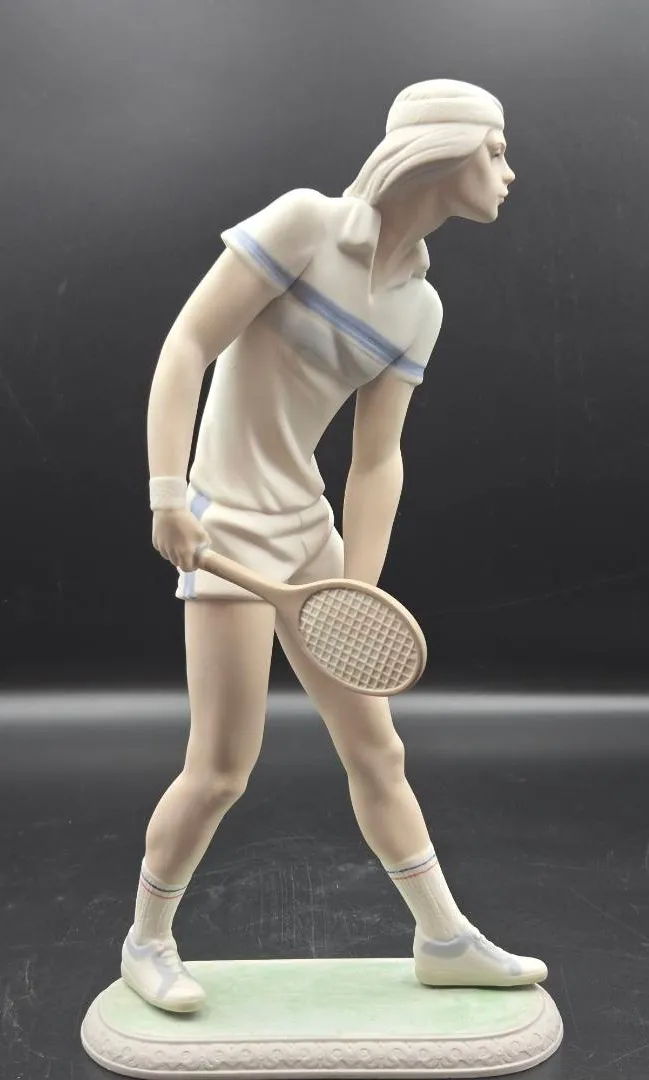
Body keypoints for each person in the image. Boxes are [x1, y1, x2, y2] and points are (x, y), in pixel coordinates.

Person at [120, 79, 544, 1014]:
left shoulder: (420, 310)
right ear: (442, 150)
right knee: (222, 767)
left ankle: (442, 938)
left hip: (309, 533)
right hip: (227, 527)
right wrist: (167, 495)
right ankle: (146, 942)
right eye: (495, 150)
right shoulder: (303, 224)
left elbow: (376, 458)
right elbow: (188, 344)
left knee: (378, 752)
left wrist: (355, 590)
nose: (508, 171)